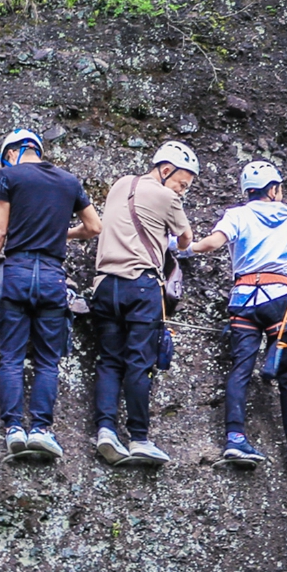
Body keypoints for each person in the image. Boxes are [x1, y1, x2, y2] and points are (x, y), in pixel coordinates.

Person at [0, 127, 101, 462]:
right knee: (47, 360)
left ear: (11, 153)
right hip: (53, 276)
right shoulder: (70, 181)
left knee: (11, 356)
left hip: (17, 273)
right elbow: (95, 227)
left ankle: (13, 429)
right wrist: (61, 234)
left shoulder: (10, 177)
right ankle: (40, 429)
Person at [187, 160, 287, 469]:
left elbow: (213, 243)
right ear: (273, 189)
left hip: (243, 298)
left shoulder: (237, 215)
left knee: (241, 368)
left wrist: (184, 248)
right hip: (278, 298)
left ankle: (235, 439)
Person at [90, 142, 197, 467]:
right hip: (141, 285)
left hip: (105, 284)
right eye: (182, 182)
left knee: (109, 360)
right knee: (139, 362)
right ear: (166, 170)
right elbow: (186, 239)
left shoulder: (121, 184)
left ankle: (106, 430)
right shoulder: (168, 198)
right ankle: (139, 438)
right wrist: (167, 237)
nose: (182, 190)